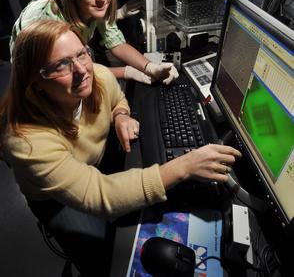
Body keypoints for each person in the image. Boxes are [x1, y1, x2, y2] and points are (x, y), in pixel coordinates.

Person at [1, 19, 241, 276]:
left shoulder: (96, 75)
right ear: (36, 82)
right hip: (55, 198)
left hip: (93, 163)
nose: (82, 70)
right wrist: (183, 166)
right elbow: (100, 195)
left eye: (81, 54)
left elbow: (117, 98)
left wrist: (121, 115)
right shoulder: (26, 141)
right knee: (103, 256)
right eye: (62, 65)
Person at [9, 0, 178, 85]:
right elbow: (71, 74)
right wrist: (127, 72)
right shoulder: (46, 19)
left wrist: (149, 67)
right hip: (38, 81)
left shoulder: (95, 5)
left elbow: (115, 42)